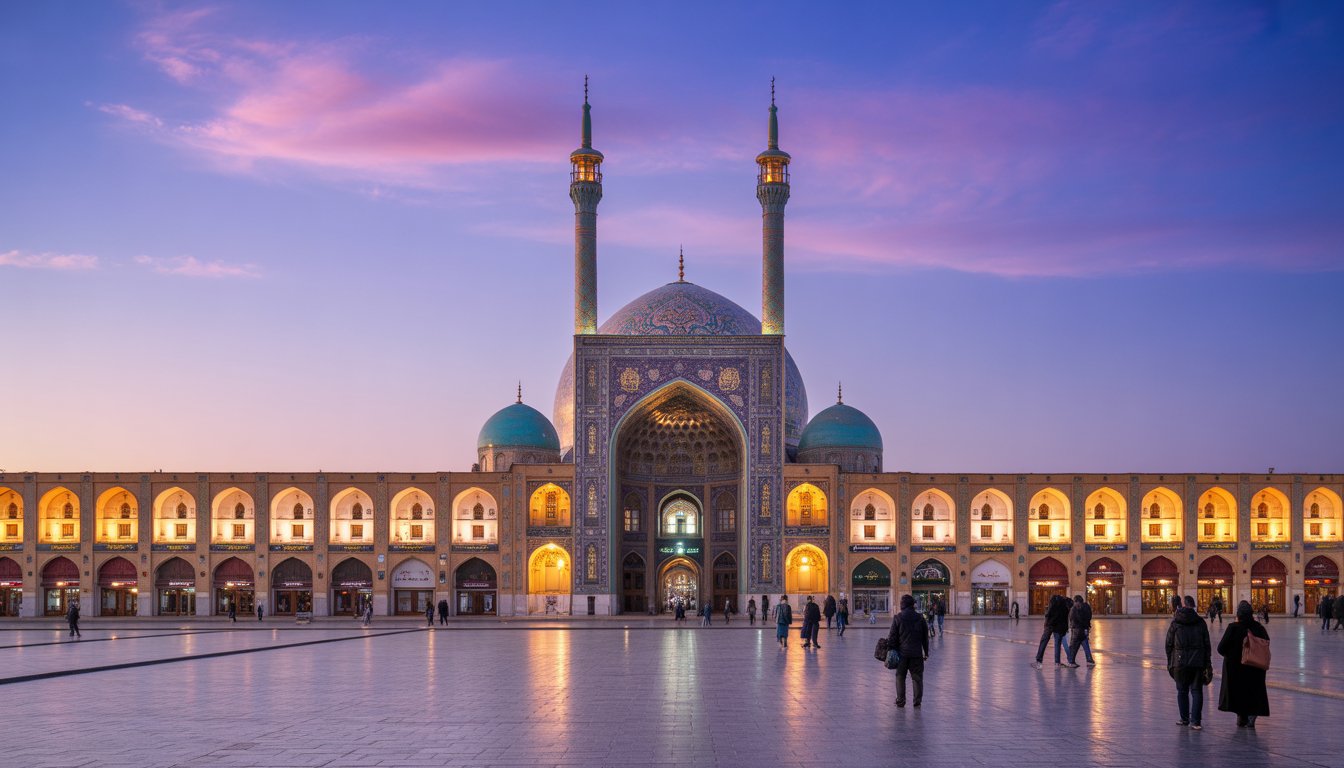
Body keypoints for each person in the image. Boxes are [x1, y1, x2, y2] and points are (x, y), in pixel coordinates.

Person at [1217, 600, 1270, 728]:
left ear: (1239, 614)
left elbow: (1220, 648)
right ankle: (1252, 714)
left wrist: (1231, 654)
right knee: (1253, 691)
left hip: (1236, 668)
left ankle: (1242, 716)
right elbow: (1266, 643)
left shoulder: (1233, 628)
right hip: (1255, 667)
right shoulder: (1258, 628)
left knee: (1239, 693)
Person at [1166, 595, 1212, 730]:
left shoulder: (1175, 623)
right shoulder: (1200, 622)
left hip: (1179, 662)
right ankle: (1196, 721)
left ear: (1183, 606)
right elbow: (1207, 644)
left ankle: (1184, 719)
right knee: (1197, 691)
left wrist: (1170, 661)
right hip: (1197, 662)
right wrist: (1207, 662)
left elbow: (1168, 644)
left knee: (1182, 691)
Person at [887, 594, 930, 708]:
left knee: (900, 676)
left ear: (903, 605)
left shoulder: (898, 618)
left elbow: (892, 637)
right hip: (916, 654)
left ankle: (900, 700)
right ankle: (917, 701)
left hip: (902, 654)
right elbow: (925, 638)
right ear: (912, 605)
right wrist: (926, 652)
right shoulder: (920, 618)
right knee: (917, 678)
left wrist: (891, 649)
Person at [1032, 594, 1071, 668]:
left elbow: (1048, 614)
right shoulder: (1064, 606)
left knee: (1044, 642)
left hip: (1050, 625)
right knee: (1058, 644)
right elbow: (1065, 619)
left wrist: (1046, 624)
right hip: (1059, 627)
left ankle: (1039, 662)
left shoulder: (1053, 602)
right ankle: (1057, 663)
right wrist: (1065, 628)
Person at [1066, 594, 1095, 667]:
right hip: (1085, 629)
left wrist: (1072, 626)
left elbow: (1073, 619)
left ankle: (1071, 661)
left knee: (1074, 646)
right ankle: (1089, 660)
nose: (1074, 603)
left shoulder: (1075, 608)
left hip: (1077, 630)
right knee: (1085, 644)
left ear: (1077, 601)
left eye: (1075, 601)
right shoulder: (1087, 607)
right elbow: (1089, 616)